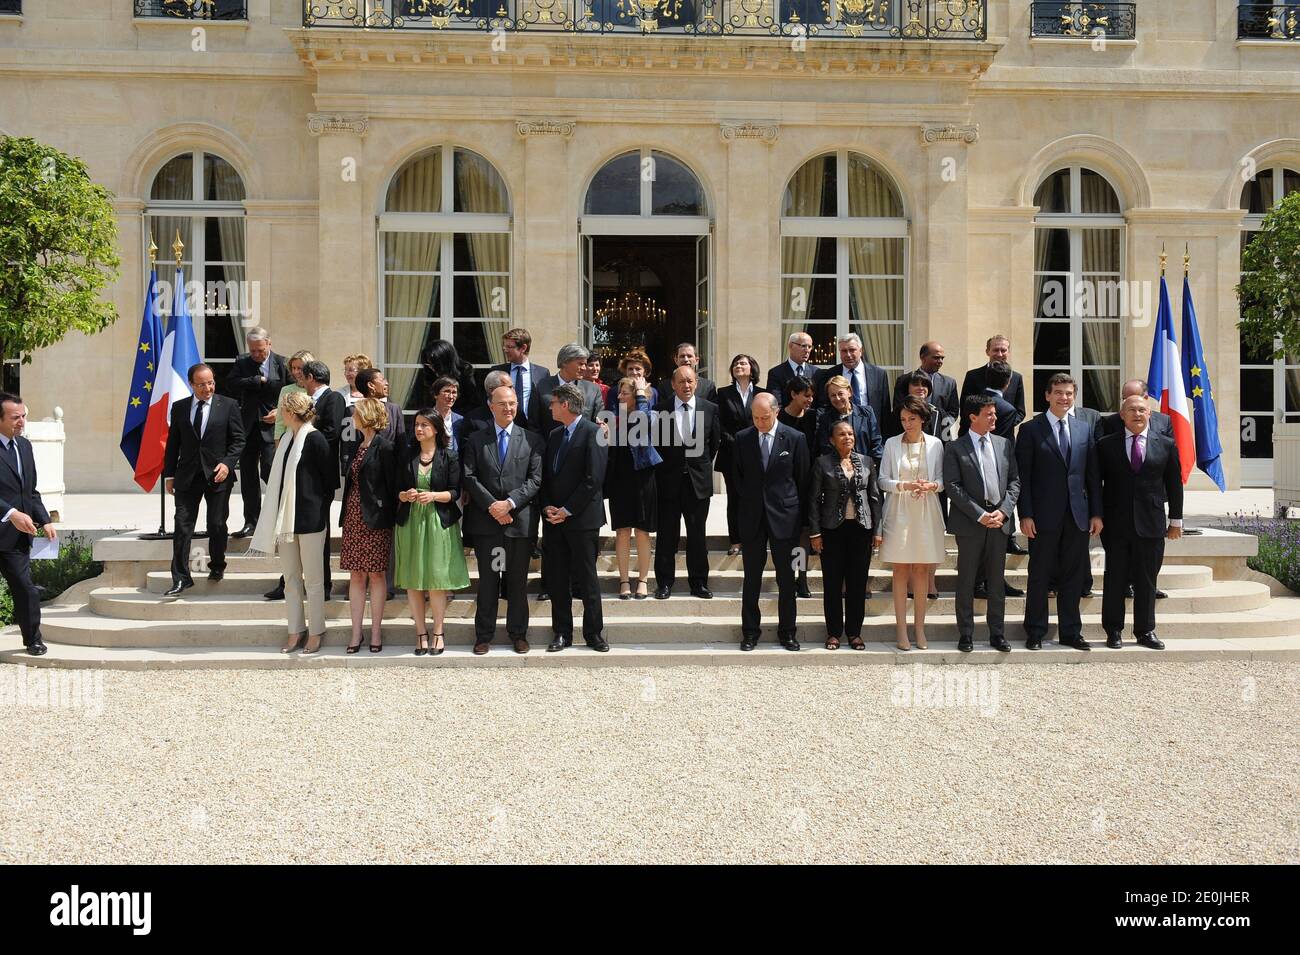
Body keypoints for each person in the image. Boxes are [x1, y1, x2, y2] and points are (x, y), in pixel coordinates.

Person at [1016, 373, 1103, 651]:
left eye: (1068, 393)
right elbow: (1023, 478)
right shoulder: (1030, 430)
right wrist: (1025, 514)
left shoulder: (1083, 429)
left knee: (1073, 576)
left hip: (1077, 516)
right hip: (1042, 516)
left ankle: (1070, 632)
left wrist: (1096, 513)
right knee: (1040, 574)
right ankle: (1036, 631)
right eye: (1058, 393)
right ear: (1047, 396)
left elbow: (1092, 476)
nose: (1064, 398)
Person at [248, 390, 335, 655]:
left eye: (282, 410)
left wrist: (317, 511)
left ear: (290, 413)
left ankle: (317, 631)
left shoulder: (316, 439)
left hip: (310, 520)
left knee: (314, 581)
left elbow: (330, 483)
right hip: (285, 522)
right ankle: (295, 630)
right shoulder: (286, 438)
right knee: (291, 579)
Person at [1096, 396, 1183, 650]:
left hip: (1151, 523)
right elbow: (1094, 483)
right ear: (1122, 415)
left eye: (1142, 410)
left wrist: (1175, 520)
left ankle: (1145, 631)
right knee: (1115, 579)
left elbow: (1174, 485)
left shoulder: (1166, 445)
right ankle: (1113, 630)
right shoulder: (1105, 445)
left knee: (1147, 580)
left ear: (1150, 415)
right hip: (1115, 524)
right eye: (1131, 410)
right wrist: (1096, 515)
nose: (1137, 414)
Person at [461, 384, 542, 655]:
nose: (509, 408)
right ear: (490, 405)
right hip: (487, 525)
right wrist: (492, 506)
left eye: (512, 403)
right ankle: (484, 634)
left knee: (517, 582)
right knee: (488, 581)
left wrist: (509, 504)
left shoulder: (531, 439)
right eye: (503, 403)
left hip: (518, 524)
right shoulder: (476, 439)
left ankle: (518, 633)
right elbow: (470, 477)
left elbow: (535, 479)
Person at [733, 393, 811, 651]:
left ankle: (787, 631)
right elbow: (738, 481)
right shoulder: (743, 439)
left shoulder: (795, 438)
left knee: (787, 579)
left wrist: (804, 525)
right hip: (752, 518)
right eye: (755, 417)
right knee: (751, 578)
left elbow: (802, 482)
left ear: (776, 412)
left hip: (785, 519)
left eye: (765, 417)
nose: (760, 422)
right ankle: (750, 632)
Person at [944, 394, 1021, 653]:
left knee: (996, 582)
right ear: (973, 417)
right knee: (966, 581)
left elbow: (1014, 482)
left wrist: (1004, 512)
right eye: (989, 414)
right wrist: (979, 514)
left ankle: (997, 634)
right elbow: (953, 487)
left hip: (999, 522)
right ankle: (966, 633)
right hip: (970, 523)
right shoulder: (955, 448)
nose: (995, 418)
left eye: (995, 414)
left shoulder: (1004, 444)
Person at [264, 360, 345, 602]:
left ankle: (323, 585)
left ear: (310, 377)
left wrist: (305, 430)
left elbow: (332, 432)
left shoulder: (333, 399)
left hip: (318, 478)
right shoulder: (307, 400)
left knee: (318, 535)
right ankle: (288, 582)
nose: (298, 378)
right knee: (291, 531)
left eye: (302, 375)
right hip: (297, 477)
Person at [162, 363, 246, 597]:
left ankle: (217, 565)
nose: (207, 388)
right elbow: (173, 445)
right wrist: (169, 475)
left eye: (210, 383)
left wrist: (227, 464)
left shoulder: (228, 405)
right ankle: (181, 578)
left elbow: (239, 440)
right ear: (192, 384)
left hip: (218, 476)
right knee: (182, 526)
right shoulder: (179, 408)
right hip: (187, 476)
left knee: (217, 524)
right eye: (201, 384)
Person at [395, 407, 470, 656]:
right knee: (413, 580)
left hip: (439, 522)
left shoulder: (449, 456)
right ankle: (420, 633)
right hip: (411, 523)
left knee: (437, 580)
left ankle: (438, 632)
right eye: (416, 424)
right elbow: (397, 489)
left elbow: (455, 492)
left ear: (436, 429)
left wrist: (434, 496)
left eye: (424, 425)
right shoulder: (407, 455)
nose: (418, 429)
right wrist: (405, 495)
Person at [541, 383, 610, 652]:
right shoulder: (554, 435)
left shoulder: (594, 432)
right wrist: (548, 506)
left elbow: (594, 479)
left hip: (582, 520)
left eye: (553, 402)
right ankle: (562, 633)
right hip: (554, 521)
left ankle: (594, 633)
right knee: (557, 580)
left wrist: (567, 510)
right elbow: (546, 476)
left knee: (587, 579)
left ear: (565, 405)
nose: (550, 407)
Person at [878, 396, 946, 650]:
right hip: (898, 510)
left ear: (923, 419)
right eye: (903, 419)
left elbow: (943, 480)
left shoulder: (936, 445)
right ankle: (901, 631)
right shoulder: (891, 444)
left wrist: (931, 486)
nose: (907, 423)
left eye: (912, 419)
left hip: (926, 510)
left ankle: (920, 629)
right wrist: (903, 485)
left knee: (921, 569)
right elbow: (883, 480)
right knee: (900, 569)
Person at [808, 420, 883, 650]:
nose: (847, 437)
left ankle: (854, 633)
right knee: (832, 583)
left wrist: (878, 530)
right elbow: (813, 500)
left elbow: (875, 498)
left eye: (850, 433)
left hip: (861, 529)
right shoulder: (822, 463)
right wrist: (815, 533)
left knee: (857, 583)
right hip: (832, 530)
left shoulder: (867, 461)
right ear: (832, 439)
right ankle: (833, 633)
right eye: (841, 434)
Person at [1099, 378, 1173, 600]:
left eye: (1140, 407)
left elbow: (1170, 466)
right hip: (1119, 507)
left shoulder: (1164, 423)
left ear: (1147, 401)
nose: (1136, 413)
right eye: (1124, 400)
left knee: (1149, 559)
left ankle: (1147, 586)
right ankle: (1124, 589)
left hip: (1150, 503)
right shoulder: (1110, 425)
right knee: (1118, 562)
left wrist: (1173, 513)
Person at [653, 365, 720, 600]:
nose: (686, 385)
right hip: (668, 483)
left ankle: (699, 582)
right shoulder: (660, 410)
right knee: (666, 536)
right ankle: (664, 583)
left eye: (690, 381)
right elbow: (656, 446)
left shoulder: (710, 409)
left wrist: (697, 468)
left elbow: (714, 444)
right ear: (673, 385)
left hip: (697, 484)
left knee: (697, 536)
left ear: (697, 383)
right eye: (681, 381)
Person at [339, 398, 398, 653]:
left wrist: (386, 511)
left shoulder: (385, 447)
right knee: (356, 574)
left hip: (375, 518)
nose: (353, 417)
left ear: (367, 416)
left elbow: (392, 484)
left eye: (356, 413)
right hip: (353, 517)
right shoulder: (355, 445)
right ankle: (356, 633)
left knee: (376, 574)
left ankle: (375, 631)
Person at [0, 393, 57, 655]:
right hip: (9, 522)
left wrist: (44, 520)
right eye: (15, 417)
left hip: (16, 537)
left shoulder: (24, 446)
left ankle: (33, 639)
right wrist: (10, 512)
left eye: (24, 415)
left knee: (25, 588)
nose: (22, 422)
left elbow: (30, 491)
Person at [226, 327, 287, 538]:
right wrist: (255, 380)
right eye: (253, 351)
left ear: (269, 344)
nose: (256, 355)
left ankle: (279, 520)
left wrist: (281, 412)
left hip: (273, 427)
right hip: (248, 426)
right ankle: (251, 521)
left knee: (271, 471)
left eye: (260, 350)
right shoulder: (243, 362)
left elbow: (294, 392)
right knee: (249, 476)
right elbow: (231, 384)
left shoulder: (282, 363)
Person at [605, 375, 661, 600]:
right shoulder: (614, 417)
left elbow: (643, 422)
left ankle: (643, 580)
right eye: (619, 393)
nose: (619, 396)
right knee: (621, 531)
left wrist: (640, 394)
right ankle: (624, 580)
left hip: (642, 477)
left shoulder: (651, 413)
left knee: (642, 531)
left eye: (624, 393)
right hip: (620, 477)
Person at [715, 354, 766, 558]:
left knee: (755, 498)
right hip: (731, 454)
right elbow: (719, 423)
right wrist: (737, 442)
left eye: (742, 363)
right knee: (735, 499)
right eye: (735, 363)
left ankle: (754, 538)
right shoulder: (723, 393)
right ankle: (735, 540)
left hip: (757, 453)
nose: (738, 366)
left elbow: (765, 421)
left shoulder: (763, 394)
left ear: (752, 368)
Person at [777, 375, 818, 597]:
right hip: (783, 485)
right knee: (786, 537)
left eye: (812, 395)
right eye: (806, 395)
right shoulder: (779, 417)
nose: (810, 400)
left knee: (803, 534)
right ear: (793, 394)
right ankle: (786, 577)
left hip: (807, 484)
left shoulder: (813, 418)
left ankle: (801, 578)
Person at [813, 332, 891, 430]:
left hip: (870, 430)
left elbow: (885, 409)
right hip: (839, 431)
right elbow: (823, 406)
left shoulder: (879, 374)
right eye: (844, 351)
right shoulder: (829, 374)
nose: (848, 355)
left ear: (861, 351)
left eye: (852, 350)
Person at [342, 367, 404, 474]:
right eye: (382, 379)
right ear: (371, 385)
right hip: (362, 471)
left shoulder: (394, 410)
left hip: (389, 471)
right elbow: (348, 445)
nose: (387, 383)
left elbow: (401, 444)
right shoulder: (353, 411)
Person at [892, 342, 958, 437]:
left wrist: (939, 426)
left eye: (942, 358)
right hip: (909, 435)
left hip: (938, 436)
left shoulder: (949, 383)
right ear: (923, 358)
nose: (940, 361)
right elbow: (898, 408)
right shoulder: (904, 380)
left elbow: (953, 412)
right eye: (936, 357)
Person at [960, 335, 1026, 428]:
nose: (999, 354)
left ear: (1009, 352)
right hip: (976, 433)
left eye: (1003, 350)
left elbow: (1020, 411)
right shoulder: (973, 376)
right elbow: (965, 408)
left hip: (1004, 435)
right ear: (987, 352)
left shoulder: (1016, 377)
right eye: (995, 350)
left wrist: (1003, 424)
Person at [490, 327, 549, 431]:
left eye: (509, 346)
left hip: (533, 431)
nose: (505, 349)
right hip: (504, 428)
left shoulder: (543, 373)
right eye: (504, 346)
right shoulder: (497, 372)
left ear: (523, 348)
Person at [814, 375, 883, 464]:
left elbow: (876, 442)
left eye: (840, 394)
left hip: (866, 467)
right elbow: (825, 447)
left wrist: (870, 466)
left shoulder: (867, 413)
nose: (837, 398)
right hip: (838, 469)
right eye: (833, 395)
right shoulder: (825, 418)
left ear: (849, 392)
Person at [537, 342, 603, 432]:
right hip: (548, 444)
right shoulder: (542, 386)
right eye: (580, 364)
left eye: (585, 364)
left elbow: (598, 424)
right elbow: (534, 422)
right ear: (564, 362)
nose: (584, 368)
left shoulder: (593, 390)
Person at [420, 339, 482, 414]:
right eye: (428, 364)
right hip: (436, 416)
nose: (431, 367)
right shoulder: (430, 374)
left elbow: (473, 402)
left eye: (434, 364)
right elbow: (427, 402)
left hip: (461, 417)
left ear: (445, 361)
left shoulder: (465, 372)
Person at [1100, 378, 1174, 440]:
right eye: (1125, 399)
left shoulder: (1165, 421)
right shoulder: (1112, 422)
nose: (1129, 403)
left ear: (1145, 398)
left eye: (1133, 398)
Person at [766, 331, 818, 408]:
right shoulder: (776, 373)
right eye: (803, 346)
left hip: (810, 419)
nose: (807, 350)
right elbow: (775, 404)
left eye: (809, 347)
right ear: (791, 346)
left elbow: (821, 404)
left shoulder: (817, 373)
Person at [273, 350, 313, 442]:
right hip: (289, 440)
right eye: (293, 368)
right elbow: (280, 421)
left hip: (309, 439)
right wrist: (278, 444)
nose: (296, 372)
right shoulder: (285, 390)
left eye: (300, 368)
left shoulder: (315, 390)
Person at [429, 375, 465, 453]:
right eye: (447, 391)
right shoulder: (425, 418)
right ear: (435, 394)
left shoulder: (460, 421)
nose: (451, 396)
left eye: (454, 392)